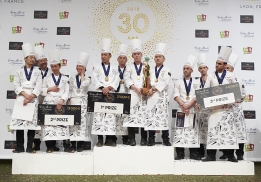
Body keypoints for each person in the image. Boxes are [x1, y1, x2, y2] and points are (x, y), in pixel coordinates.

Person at [202, 46, 238, 162]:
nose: (217, 65)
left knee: (228, 132)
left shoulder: (231, 76)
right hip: (214, 110)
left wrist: (230, 100)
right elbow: (205, 91)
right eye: (216, 63)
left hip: (227, 109)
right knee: (212, 131)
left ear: (224, 65)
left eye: (219, 64)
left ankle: (231, 155)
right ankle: (211, 155)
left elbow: (236, 93)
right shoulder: (210, 76)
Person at [11, 43, 42, 153]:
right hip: (21, 98)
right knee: (20, 124)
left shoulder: (38, 72)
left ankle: (30, 147)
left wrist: (30, 97)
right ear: (25, 58)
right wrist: (25, 95)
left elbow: (39, 86)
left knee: (31, 125)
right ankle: (19, 147)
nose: (33, 59)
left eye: (34, 58)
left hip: (32, 99)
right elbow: (16, 85)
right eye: (31, 57)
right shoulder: (18, 71)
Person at [40, 49, 73, 153]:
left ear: (59, 66)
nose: (54, 68)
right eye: (52, 66)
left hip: (60, 103)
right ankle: (50, 147)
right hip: (49, 103)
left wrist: (61, 100)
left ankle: (67, 146)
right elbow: (41, 91)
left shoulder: (65, 79)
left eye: (56, 66)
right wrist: (50, 89)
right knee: (49, 126)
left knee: (63, 124)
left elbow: (67, 91)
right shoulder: (46, 79)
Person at [91, 38, 120, 147]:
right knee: (99, 116)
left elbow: (116, 79)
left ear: (110, 56)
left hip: (110, 94)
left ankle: (109, 139)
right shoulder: (96, 67)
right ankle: (99, 139)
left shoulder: (115, 67)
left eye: (105, 54)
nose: (103, 56)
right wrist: (103, 87)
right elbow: (94, 79)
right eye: (102, 54)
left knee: (110, 116)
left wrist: (109, 87)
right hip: (99, 93)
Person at [173, 55, 201, 160]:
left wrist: (189, 105)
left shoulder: (197, 82)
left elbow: (197, 95)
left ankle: (193, 153)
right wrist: (183, 106)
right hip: (181, 109)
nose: (185, 70)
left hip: (192, 109)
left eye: (187, 68)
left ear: (192, 70)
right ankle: (180, 153)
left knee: (192, 130)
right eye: (184, 68)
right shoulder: (178, 82)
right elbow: (176, 95)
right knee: (180, 130)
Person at [33, 45, 60, 151]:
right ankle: (36, 145)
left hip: (50, 101)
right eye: (41, 61)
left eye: (44, 60)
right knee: (37, 122)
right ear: (37, 62)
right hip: (37, 100)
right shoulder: (34, 73)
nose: (43, 62)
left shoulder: (52, 72)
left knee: (51, 122)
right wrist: (48, 89)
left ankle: (52, 145)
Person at [144, 43, 171, 146]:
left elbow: (165, 82)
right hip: (151, 96)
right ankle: (151, 138)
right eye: (156, 57)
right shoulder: (149, 70)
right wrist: (145, 76)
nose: (157, 58)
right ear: (154, 59)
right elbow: (147, 82)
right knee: (151, 116)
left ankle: (165, 138)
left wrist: (153, 89)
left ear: (164, 59)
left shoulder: (166, 70)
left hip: (161, 96)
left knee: (163, 117)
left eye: (159, 57)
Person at [222, 53, 247, 160]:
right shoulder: (221, 80)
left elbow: (243, 95)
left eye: (228, 68)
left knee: (239, 132)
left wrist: (239, 99)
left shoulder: (238, 80)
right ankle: (227, 153)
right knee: (227, 132)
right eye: (225, 68)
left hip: (236, 110)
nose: (226, 70)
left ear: (232, 69)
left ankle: (240, 154)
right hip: (226, 110)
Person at [123, 39, 148, 146]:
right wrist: (135, 88)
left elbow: (148, 79)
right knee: (131, 117)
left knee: (143, 116)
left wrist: (145, 89)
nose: (137, 55)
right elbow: (126, 79)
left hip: (143, 95)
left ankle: (143, 139)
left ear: (141, 55)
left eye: (138, 54)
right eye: (135, 54)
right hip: (133, 94)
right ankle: (132, 138)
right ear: (132, 56)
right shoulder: (128, 67)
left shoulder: (146, 66)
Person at [67, 52, 91, 152]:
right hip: (73, 101)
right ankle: (72, 144)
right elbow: (70, 89)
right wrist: (68, 99)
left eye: (81, 66)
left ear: (85, 67)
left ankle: (80, 144)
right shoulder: (72, 78)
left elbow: (84, 85)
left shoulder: (88, 78)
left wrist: (82, 74)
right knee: (73, 123)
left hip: (83, 102)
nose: (78, 68)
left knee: (82, 123)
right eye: (77, 66)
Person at [114, 44, 129, 145]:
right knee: (115, 116)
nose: (122, 60)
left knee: (126, 116)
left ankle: (125, 137)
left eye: (124, 58)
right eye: (120, 58)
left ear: (126, 60)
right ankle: (113, 137)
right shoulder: (113, 69)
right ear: (117, 59)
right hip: (116, 93)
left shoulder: (130, 69)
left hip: (127, 94)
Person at [196, 53, 209, 158]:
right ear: (198, 70)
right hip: (200, 110)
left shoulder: (212, 79)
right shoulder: (197, 81)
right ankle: (201, 151)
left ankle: (210, 153)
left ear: (207, 68)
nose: (202, 69)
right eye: (200, 68)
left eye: (204, 67)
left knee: (209, 130)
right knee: (200, 131)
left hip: (210, 110)